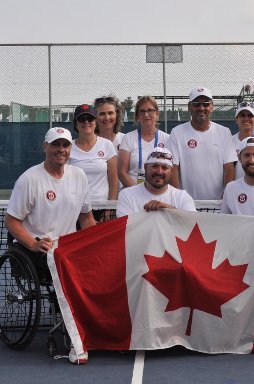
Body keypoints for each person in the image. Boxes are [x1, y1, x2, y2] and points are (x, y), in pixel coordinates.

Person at [5, 127, 96, 365]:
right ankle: (75, 337)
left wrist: (97, 245)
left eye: (65, 145)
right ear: (45, 147)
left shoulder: (79, 176)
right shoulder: (29, 179)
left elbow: (86, 218)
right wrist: (32, 244)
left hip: (70, 249)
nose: (61, 150)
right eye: (56, 145)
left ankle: (99, 329)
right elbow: (11, 220)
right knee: (67, 274)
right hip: (37, 252)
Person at [168, 87, 237, 200]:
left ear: (212, 107)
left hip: (217, 204)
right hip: (187, 204)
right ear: (189, 107)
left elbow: (229, 168)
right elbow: (173, 168)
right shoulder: (177, 132)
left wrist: (226, 198)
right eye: (196, 104)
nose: (201, 108)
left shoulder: (224, 132)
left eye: (206, 104)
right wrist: (178, 199)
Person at [68, 104, 118, 222]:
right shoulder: (68, 147)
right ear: (76, 123)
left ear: (95, 122)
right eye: (81, 119)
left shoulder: (107, 145)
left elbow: (114, 180)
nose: (86, 122)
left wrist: (109, 208)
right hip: (76, 208)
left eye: (90, 119)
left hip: (102, 208)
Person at [116, 147, 196, 217]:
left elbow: (191, 223)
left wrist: (167, 209)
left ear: (171, 171)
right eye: (154, 166)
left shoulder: (182, 197)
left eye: (165, 168)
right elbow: (125, 227)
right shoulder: (127, 195)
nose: (159, 172)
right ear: (145, 167)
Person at [118, 96, 169, 188]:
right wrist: (138, 193)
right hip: (132, 193)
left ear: (157, 113)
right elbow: (122, 172)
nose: (146, 114)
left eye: (150, 110)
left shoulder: (167, 139)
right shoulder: (128, 138)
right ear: (137, 116)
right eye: (142, 111)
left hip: (158, 193)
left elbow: (170, 171)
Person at [232, 102, 254, 179]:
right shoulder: (229, 141)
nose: (246, 118)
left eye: (250, 115)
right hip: (237, 188)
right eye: (242, 115)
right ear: (236, 119)